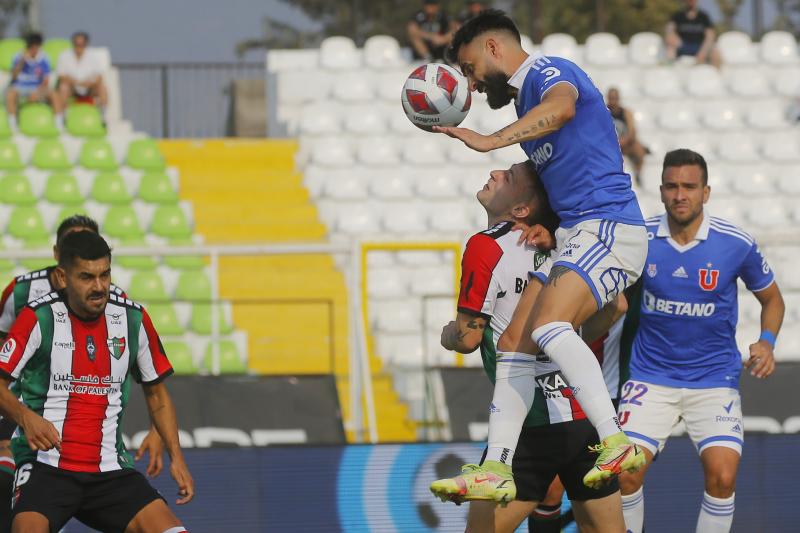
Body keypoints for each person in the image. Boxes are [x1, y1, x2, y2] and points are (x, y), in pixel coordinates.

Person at [430, 9, 647, 499]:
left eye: (468, 69)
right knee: (514, 346)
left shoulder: (547, 73)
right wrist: (544, 227)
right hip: (578, 234)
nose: (471, 85)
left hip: (610, 228)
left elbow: (564, 108)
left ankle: (615, 439)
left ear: (492, 49)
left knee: (549, 328)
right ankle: (498, 467)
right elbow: (561, 170)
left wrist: (489, 143)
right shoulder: (523, 103)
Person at [431, 161, 626, 533]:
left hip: (527, 423)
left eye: (509, 176)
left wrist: (448, 334)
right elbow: (618, 306)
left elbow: (469, 338)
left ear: (522, 209)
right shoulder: (567, 243)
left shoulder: (485, 246)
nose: (494, 172)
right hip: (582, 417)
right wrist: (565, 340)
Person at [616, 149, 785, 533]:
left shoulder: (735, 243)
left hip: (713, 380)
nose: (680, 195)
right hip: (650, 377)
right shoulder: (640, 239)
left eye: (689, 187)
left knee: (722, 478)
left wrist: (767, 341)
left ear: (706, 192)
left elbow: (772, 298)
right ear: (660, 191)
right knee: (625, 475)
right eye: (672, 186)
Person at [0, 230, 194, 532]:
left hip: (110, 469)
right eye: (87, 277)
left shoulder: (133, 319)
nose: (100, 286)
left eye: (105, 275)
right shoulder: (38, 318)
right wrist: (26, 418)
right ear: (63, 277)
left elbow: (157, 394)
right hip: (45, 465)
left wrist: (177, 457)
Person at [528, 316, 626, 533]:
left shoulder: (615, 288)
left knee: (625, 482)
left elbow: (618, 305)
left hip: (614, 391)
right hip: (566, 393)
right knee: (551, 490)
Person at [5, 32, 64, 130]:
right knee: (11, 94)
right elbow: (14, 77)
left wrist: (37, 93)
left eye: (36, 46)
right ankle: (12, 125)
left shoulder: (44, 58)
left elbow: (46, 81)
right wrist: (22, 60)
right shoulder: (18, 56)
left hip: (37, 88)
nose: (33, 49)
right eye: (31, 46)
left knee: (54, 95)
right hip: (20, 88)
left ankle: (59, 125)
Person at [56, 31, 108, 118]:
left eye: (82, 44)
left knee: (102, 88)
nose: (79, 47)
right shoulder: (64, 55)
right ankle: (64, 115)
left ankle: (103, 116)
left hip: (89, 88)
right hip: (72, 88)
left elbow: (99, 77)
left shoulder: (93, 56)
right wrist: (77, 82)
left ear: (86, 44)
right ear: (73, 43)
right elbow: (61, 76)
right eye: (76, 44)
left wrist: (90, 83)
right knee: (63, 87)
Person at [606, 87, 647, 187]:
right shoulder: (603, 111)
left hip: (624, 144)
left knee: (638, 149)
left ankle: (638, 173)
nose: (613, 101)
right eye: (611, 98)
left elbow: (632, 131)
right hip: (609, 145)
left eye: (615, 98)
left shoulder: (626, 113)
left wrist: (623, 141)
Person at [665, 0, 721, 68]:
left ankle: (717, 76)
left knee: (715, 52)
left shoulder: (703, 17)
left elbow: (710, 36)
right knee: (670, 49)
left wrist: (703, 52)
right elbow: (669, 31)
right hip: (683, 46)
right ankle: (668, 72)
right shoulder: (677, 16)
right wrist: (672, 37)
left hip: (699, 46)